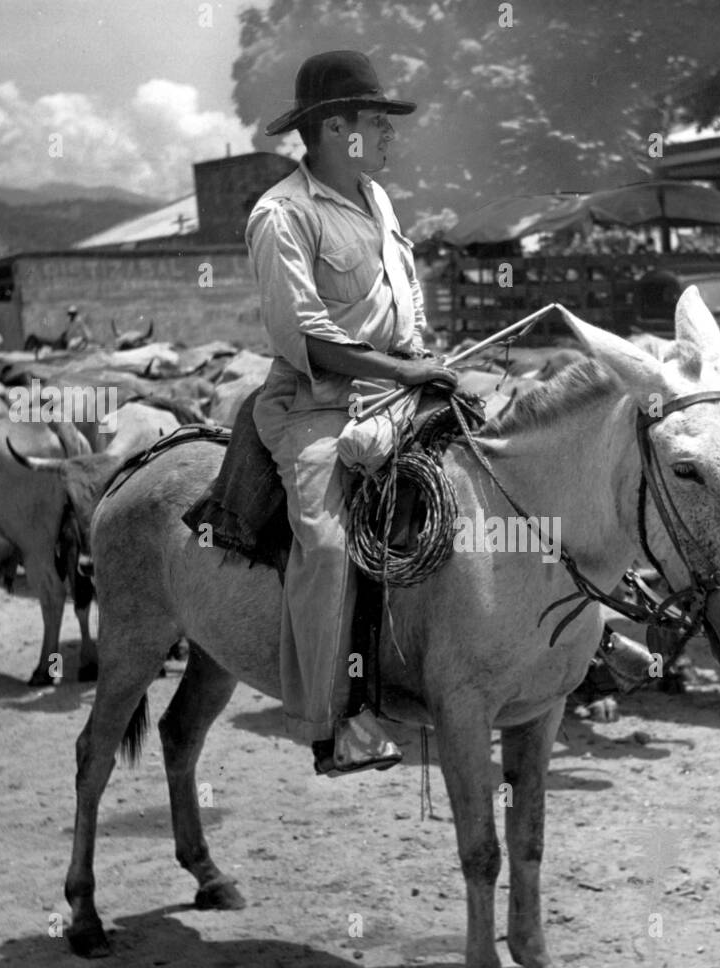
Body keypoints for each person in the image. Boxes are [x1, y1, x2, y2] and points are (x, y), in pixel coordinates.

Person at [248, 50, 457, 775]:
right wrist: (400, 368)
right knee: (330, 543)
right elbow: (303, 335)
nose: (389, 134)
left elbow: (404, 297)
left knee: (509, 455)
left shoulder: (378, 198)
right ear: (336, 129)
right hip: (314, 403)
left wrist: (423, 359)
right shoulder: (281, 215)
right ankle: (332, 724)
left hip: (397, 385)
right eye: (377, 121)